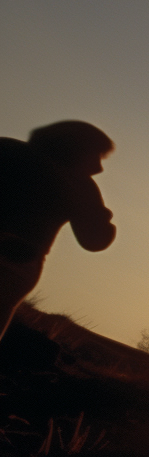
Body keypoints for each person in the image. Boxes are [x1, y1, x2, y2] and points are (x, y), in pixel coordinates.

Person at [0, 121, 116, 342]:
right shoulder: (79, 185)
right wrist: (102, 215)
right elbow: (95, 241)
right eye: (97, 155)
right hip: (14, 265)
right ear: (75, 149)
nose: (99, 168)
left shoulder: (5, 148)